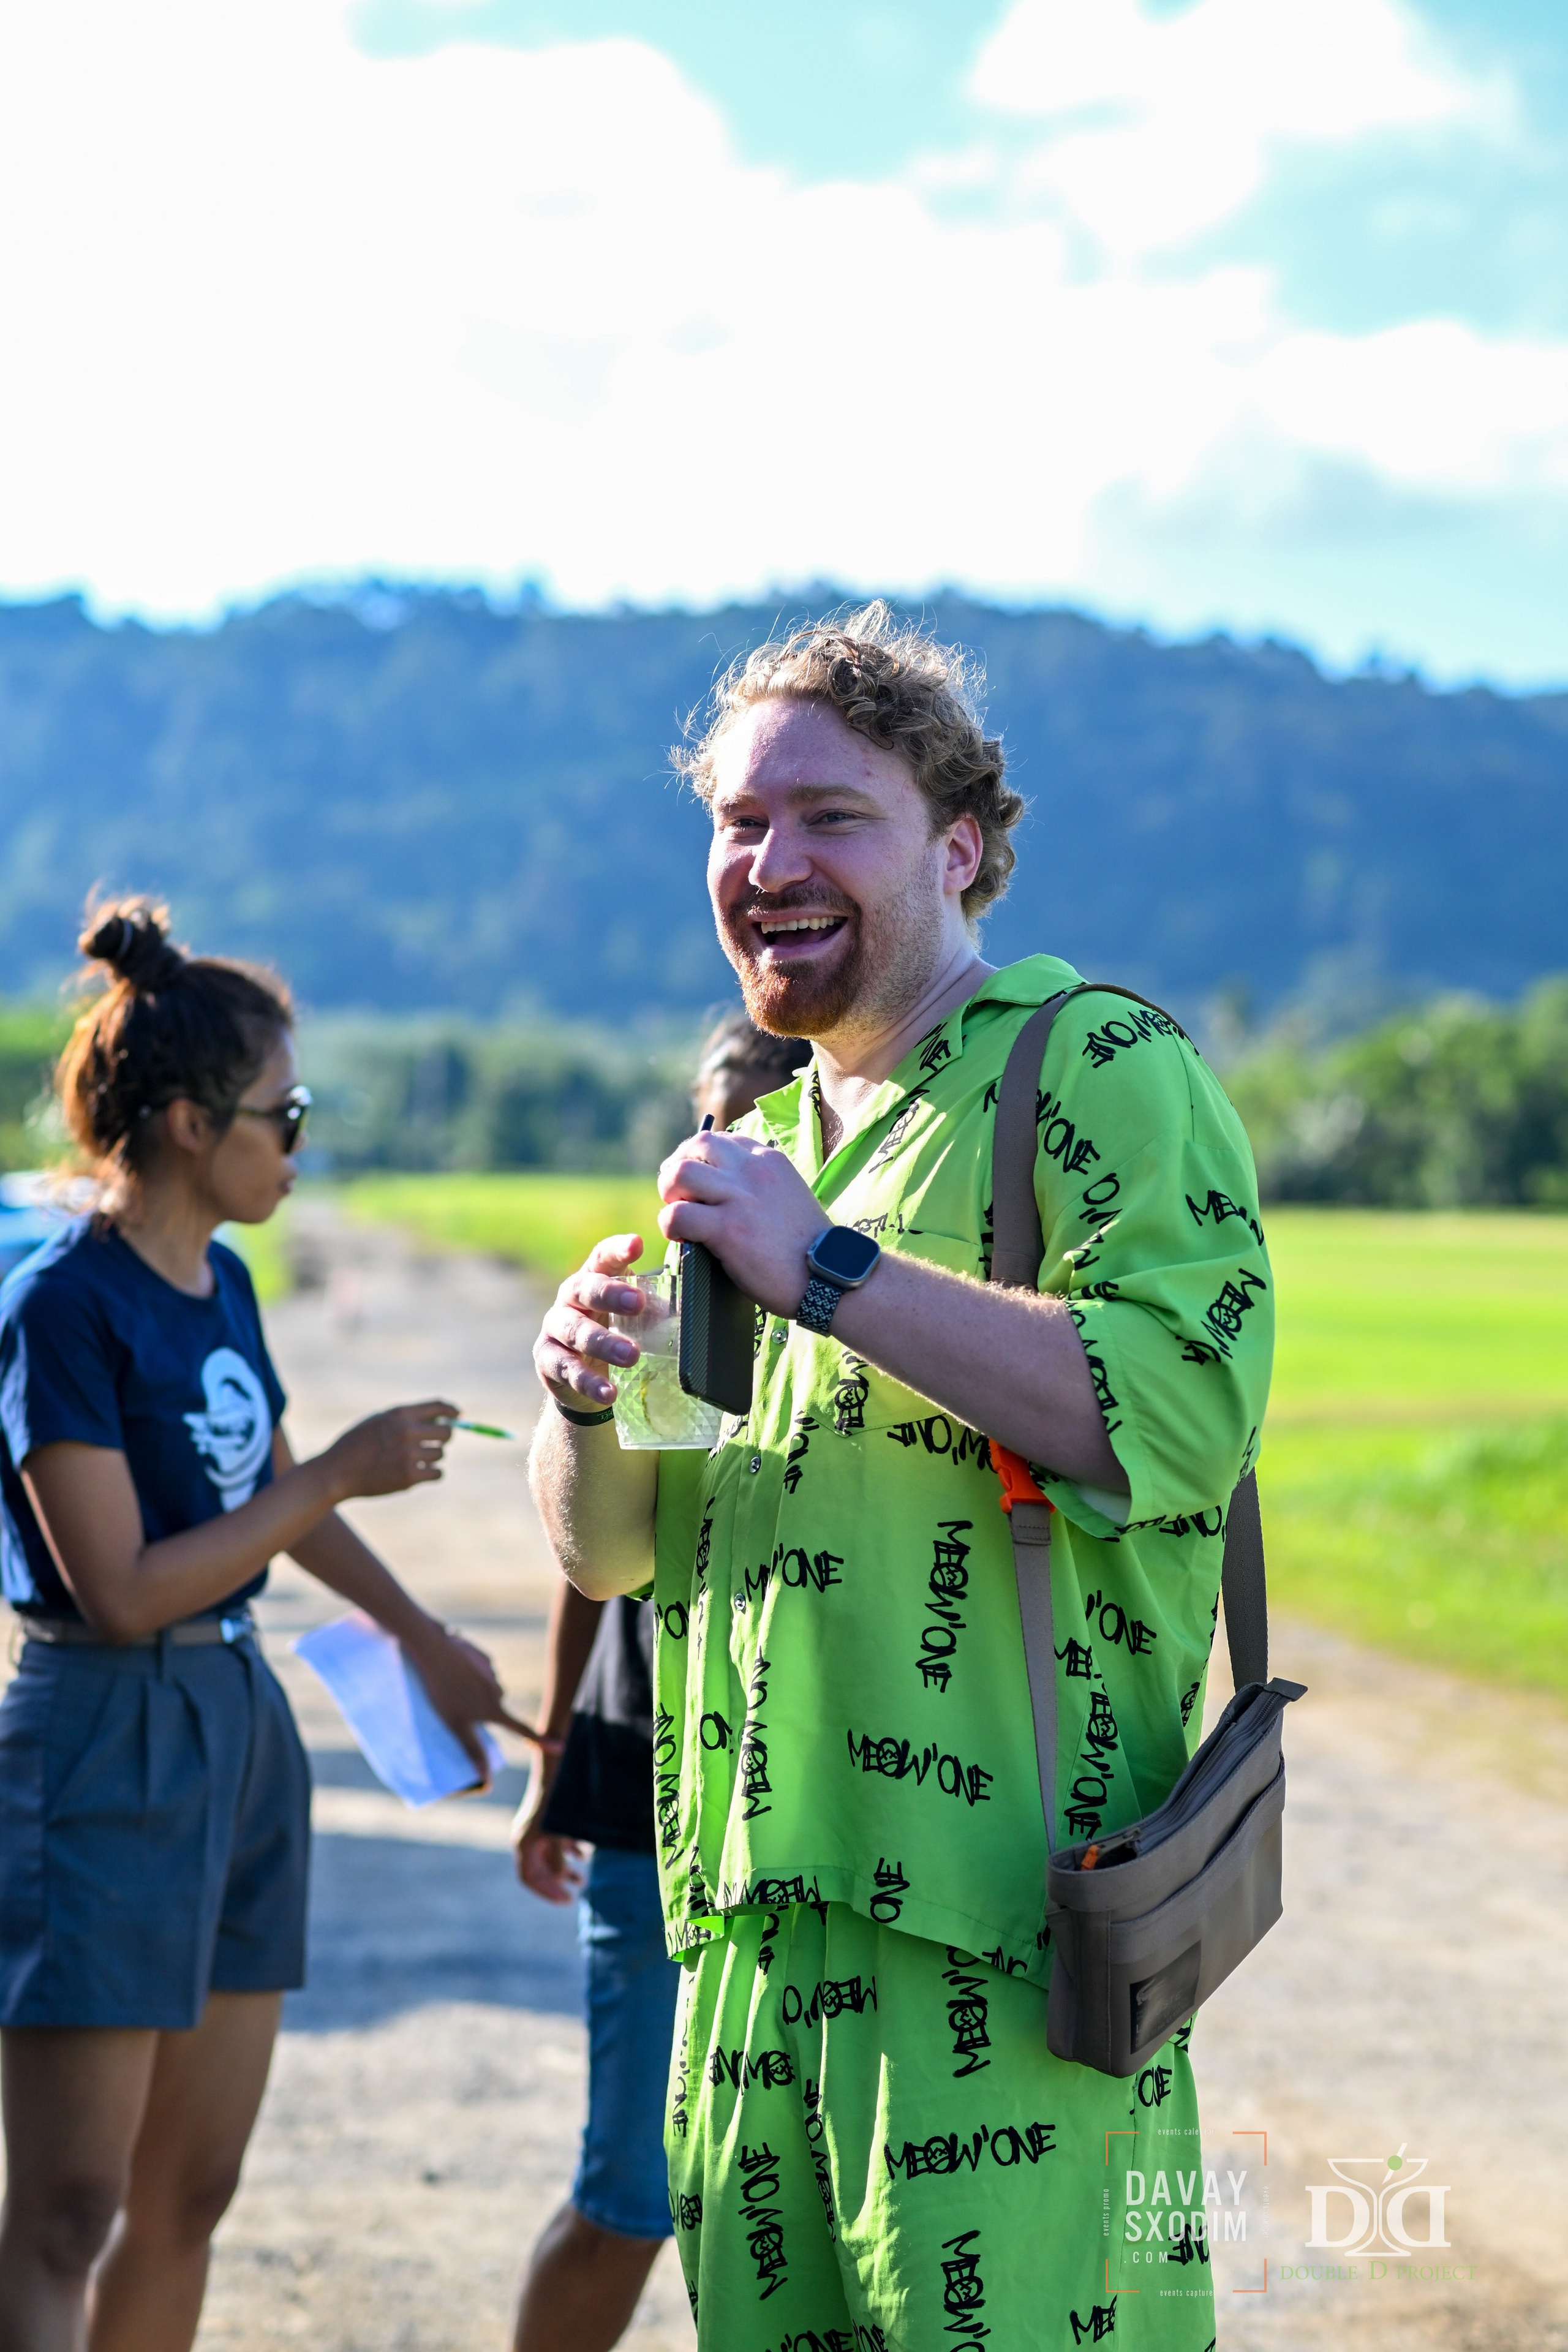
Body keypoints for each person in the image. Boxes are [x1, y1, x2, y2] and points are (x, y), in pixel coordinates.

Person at [528, 605, 1273, 2350]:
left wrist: (834, 1275)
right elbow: (625, 1553)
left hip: (1005, 1963)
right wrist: (580, 1404)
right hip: (747, 1957)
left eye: (830, 817)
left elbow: (1178, 1415)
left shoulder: (1090, 1063)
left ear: (961, 846)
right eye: (738, 821)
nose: (772, 861)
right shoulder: (752, 1154)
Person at [0, 900, 523, 2352]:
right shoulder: (63, 1311)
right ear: (183, 1123)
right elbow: (122, 1587)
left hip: (235, 1729)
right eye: (279, 1117)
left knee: (191, 2192)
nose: (298, 1146)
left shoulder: (220, 1279)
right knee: (64, 2212)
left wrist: (425, 1638)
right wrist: (344, 1470)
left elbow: (277, 1494)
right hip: (105, 1731)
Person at [508, 1014, 810, 2352]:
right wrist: (549, 1767)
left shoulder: (858, 1303)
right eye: (707, 1120)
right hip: (642, 1780)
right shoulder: (653, 1304)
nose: (721, 1147)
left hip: (802, 1795)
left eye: (756, 1128)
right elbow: (598, 1563)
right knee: (631, 2195)